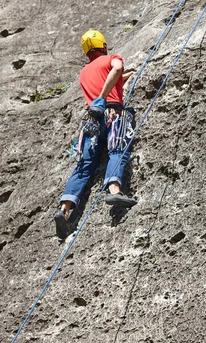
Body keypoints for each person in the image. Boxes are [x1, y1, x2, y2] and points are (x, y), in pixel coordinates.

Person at [55, 30, 137, 239]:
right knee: (117, 150)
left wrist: (122, 79)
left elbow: (109, 78)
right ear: (103, 45)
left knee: (84, 166)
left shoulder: (83, 73)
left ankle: (64, 209)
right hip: (113, 113)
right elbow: (116, 69)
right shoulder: (113, 59)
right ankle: (114, 190)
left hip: (92, 121)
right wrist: (106, 93)